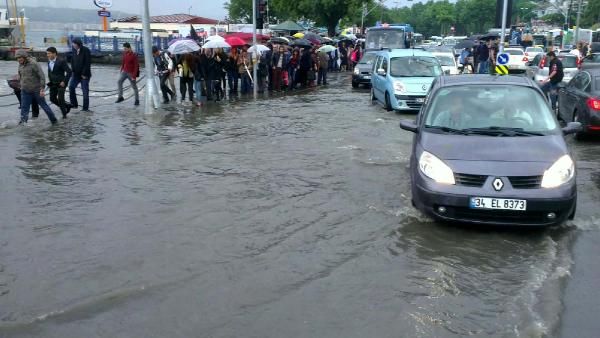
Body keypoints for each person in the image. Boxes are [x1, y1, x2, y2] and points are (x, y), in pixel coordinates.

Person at [15, 50, 57, 125]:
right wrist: (19, 81)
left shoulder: (34, 64)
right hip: (25, 90)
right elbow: (20, 74)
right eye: (17, 58)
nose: (18, 59)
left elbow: (42, 76)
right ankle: (23, 123)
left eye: (20, 58)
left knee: (44, 106)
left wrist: (42, 89)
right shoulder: (20, 64)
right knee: (24, 108)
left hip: (36, 90)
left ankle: (54, 121)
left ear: (24, 57)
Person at [46, 46, 72, 118]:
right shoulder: (48, 61)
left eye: (49, 53)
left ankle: (64, 116)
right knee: (52, 99)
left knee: (60, 99)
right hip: (53, 83)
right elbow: (50, 72)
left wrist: (64, 81)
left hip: (61, 83)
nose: (47, 55)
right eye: (47, 54)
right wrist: (50, 81)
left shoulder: (61, 61)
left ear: (54, 53)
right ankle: (67, 106)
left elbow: (69, 72)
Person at [69, 37, 91, 111]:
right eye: (72, 44)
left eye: (74, 43)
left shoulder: (86, 50)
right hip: (76, 74)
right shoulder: (74, 50)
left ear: (78, 44)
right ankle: (74, 104)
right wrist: (72, 71)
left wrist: (84, 74)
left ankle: (85, 109)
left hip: (85, 75)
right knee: (71, 87)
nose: (73, 45)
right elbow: (72, 61)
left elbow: (87, 63)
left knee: (85, 92)